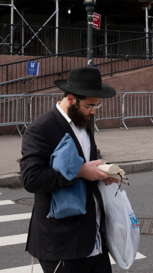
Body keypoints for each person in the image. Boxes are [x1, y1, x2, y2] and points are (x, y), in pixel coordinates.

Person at [20, 66, 119, 273]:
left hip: (95, 238)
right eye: (90, 105)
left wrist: (101, 173)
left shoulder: (83, 122)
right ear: (71, 99)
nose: (93, 111)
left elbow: (86, 165)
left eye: (97, 106)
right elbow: (31, 179)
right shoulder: (41, 128)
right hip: (63, 244)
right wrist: (80, 171)